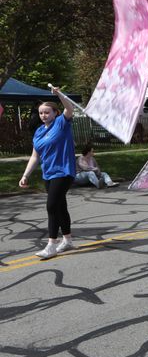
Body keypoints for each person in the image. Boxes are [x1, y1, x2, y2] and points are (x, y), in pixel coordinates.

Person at [18, 88, 77, 258]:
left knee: (51, 206)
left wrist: (59, 94)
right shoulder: (38, 132)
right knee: (60, 207)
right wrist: (25, 175)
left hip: (64, 171)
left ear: (55, 112)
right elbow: (35, 156)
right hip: (48, 173)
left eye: (47, 112)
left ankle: (51, 245)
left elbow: (70, 109)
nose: (43, 115)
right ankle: (67, 241)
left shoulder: (61, 123)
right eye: (41, 113)